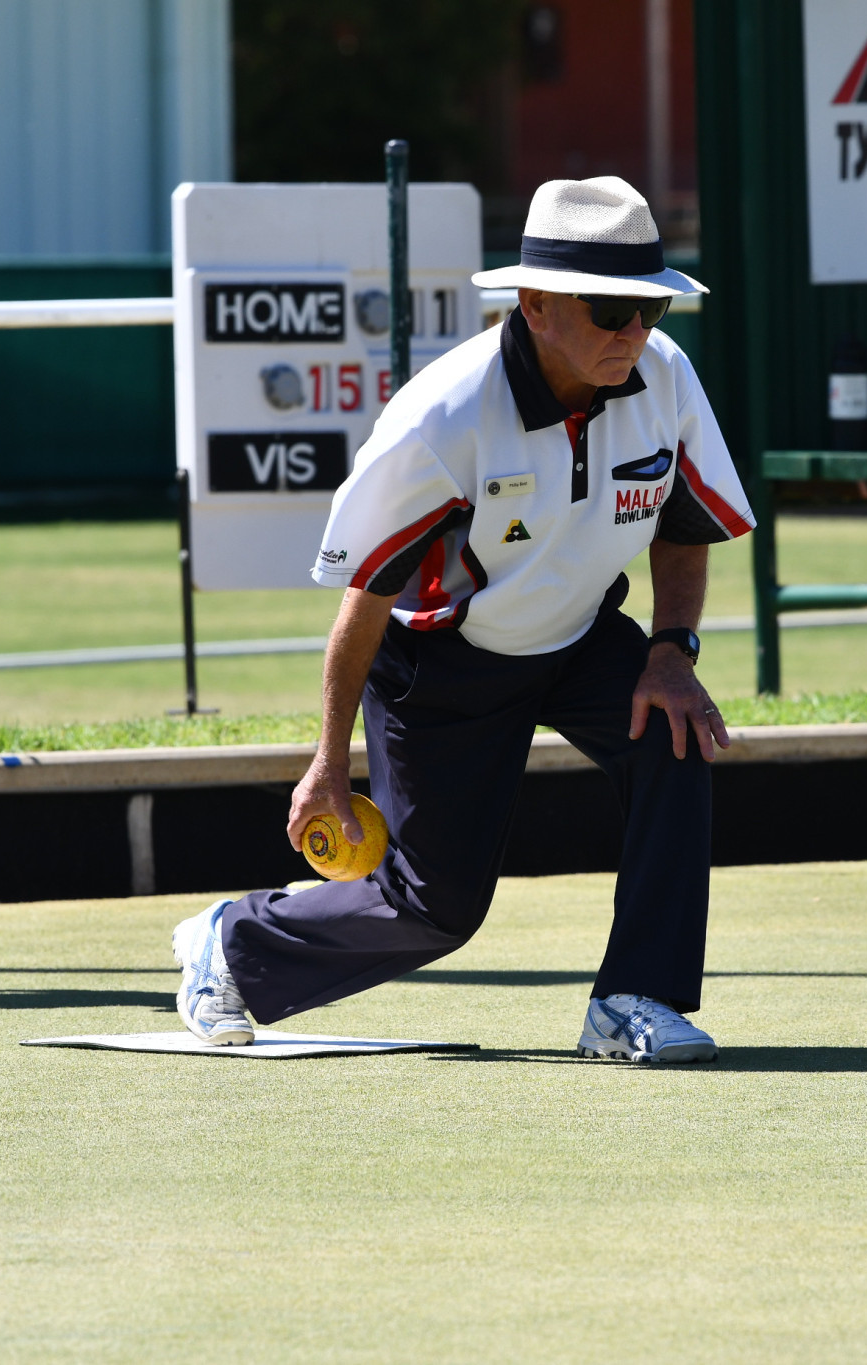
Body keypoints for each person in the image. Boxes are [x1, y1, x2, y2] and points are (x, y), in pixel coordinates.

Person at [172, 177, 754, 1063]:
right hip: (445, 658)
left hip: (583, 631)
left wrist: (671, 651)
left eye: (651, 308)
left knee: (672, 736)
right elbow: (362, 598)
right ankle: (233, 943)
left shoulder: (664, 377)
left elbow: (684, 523)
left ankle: (633, 999)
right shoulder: (440, 417)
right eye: (611, 311)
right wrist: (329, 761)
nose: (635, 333)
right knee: (436, 908)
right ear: (537, 305)